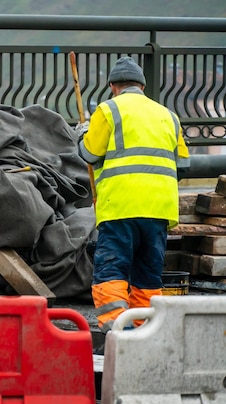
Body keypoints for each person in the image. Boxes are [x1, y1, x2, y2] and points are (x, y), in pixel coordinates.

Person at [76, 56, 190, 337]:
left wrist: (82, 135)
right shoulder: (168, 115)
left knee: (112, 270)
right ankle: (145, 331)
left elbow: (89, 154)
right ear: (142, 86)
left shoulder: (108, 110)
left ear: (113, 86)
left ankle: (115, 331)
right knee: (148, 275)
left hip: (120, 207)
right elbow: (184, 166)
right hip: (159, 209)